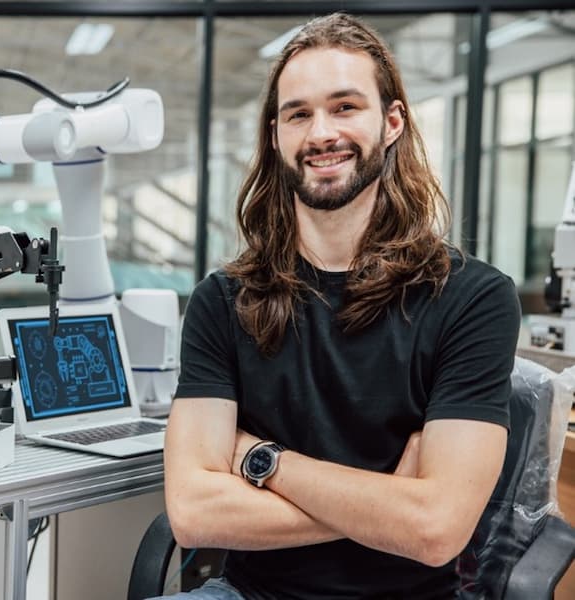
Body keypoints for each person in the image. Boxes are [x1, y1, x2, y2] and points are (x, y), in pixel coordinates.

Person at [157, 12, 521, 600]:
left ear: (392, 121)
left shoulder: (472, 298)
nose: (321, 133)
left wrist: (264, 462)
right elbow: (195, 513)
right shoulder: (222, 301)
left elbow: (434, 531)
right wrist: (386, 504)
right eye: (298, 113)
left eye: (345, 106)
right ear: (276, 135)